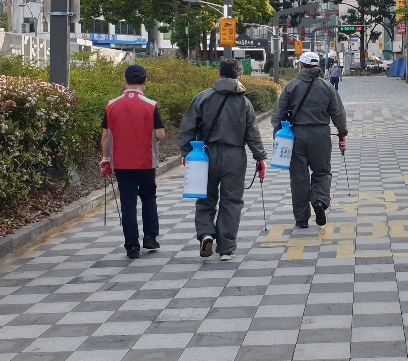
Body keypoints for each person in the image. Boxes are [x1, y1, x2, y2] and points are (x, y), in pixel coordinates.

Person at [178, 59, 266, 261]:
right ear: (240, 77)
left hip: (205, 155)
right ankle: (226, 247)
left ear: (219, 75)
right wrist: (260, 157)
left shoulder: (203, 98)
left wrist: (186, 153)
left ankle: (206, 233)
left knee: (205, 198)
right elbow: (252, 134)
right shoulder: (244, 102)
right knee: (232, 201)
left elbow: (187, 128)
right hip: (235, 155)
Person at [271, 51, 348, 228]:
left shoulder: (291, 86)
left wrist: (279, 136)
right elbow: (338, 113)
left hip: (296, 135)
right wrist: (342, 133)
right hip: (321, 134)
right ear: (317, 67)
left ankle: (301, 218)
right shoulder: (327, 87)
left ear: (301, 66)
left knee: (299, 177)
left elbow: (278, 115)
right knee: (321, 172)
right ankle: (319, 201)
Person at [101, 64, 165, 259]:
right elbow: (160, 134)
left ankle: (131, 246)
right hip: (145, 161)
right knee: (148, 198)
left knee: (127, 202)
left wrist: (105, 159)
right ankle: (150, 237)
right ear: (145, 81)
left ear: (125, 81)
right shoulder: (151, 105)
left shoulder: (111, 105)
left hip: (120, 162)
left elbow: (105, 136)